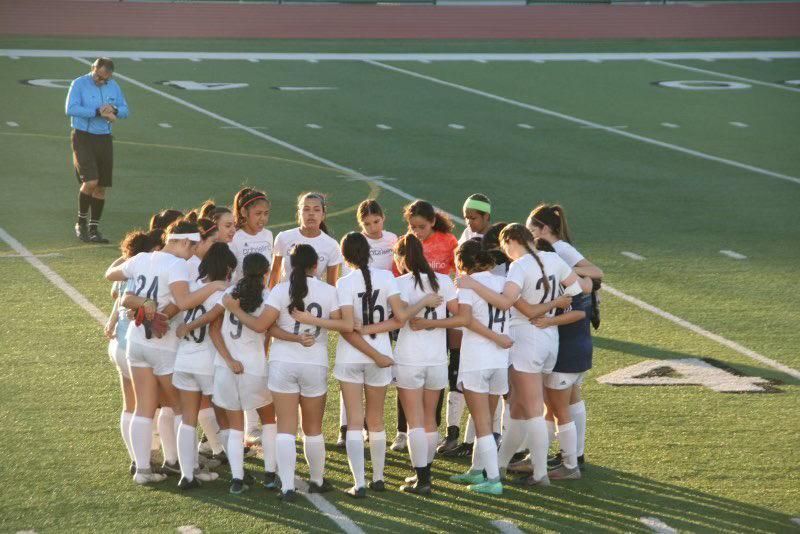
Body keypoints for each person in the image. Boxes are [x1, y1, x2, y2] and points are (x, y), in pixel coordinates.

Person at [105, 218, 227, 485]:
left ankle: (143, 471)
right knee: (183, 410)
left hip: (136, 342)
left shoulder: (143, 259)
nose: (194, 252)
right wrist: (214, 286)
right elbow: (183, 302)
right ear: (183, 241)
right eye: (192, 246)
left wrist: (141, 299)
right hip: (163, 344)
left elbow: (111, 275)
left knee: (144, 409)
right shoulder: (177, 264)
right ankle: (189, 468)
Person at [456, 223, 579, 487]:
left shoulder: (519, 266)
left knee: (533, 409)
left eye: (505, 247)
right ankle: (498, 465)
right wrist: (554, 305)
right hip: (549, 337)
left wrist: (472, 285)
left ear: (512, 240)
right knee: (519, 408)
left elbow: (504, 302)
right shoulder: (554, 259)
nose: (506, 253)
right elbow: (578, 289)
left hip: (526, 339)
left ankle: (540, 473)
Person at [333, 232, 439, 497]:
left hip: (351, 356)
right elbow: (400, 318)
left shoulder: (343, 283)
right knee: (377, 420)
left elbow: (347, 329)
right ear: (368, 252)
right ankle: (378, 478)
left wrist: (364, 334)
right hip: (380, 353)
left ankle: (359, 483)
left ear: (345, 258)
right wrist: (378, 352)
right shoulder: (387, 278)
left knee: (355, 422)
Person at [264, 244, 347, 502]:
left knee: (285, 428)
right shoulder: (329, 291)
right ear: (316, 266)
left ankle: (287, 486)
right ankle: (317, 480)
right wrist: (310, 327)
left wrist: (293, 337)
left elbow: (267, 328)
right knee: (313, 428)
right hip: (315, 363)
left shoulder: (279, 290)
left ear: (289, 266)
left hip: (282, 362)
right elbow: (342, 325)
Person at [390, 234, 458, 495]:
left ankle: (423, 478)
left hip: (410, 358)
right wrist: (436, 323)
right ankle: (424, 472)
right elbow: (461, 316)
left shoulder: (399, 283)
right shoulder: (443, 281)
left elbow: (399, 318)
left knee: (414, 421)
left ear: (400, 258)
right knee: (430, 419)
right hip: (437, 358)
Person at [446, 240, 513, 495]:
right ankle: (476, 469)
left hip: (477, 360)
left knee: (482, 423)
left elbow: (466, 321)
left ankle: (493, 479)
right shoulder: (501, 282)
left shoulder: (466, 285)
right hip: (499, 361)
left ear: (462, 261)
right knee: (484, 419)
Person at [211, 253, 282, 495]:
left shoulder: (229, 294)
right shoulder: (268, 297)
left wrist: (229, 360)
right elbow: (263, 327)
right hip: (255, 368)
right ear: (265, 272)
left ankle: (237, 479)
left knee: (235, 426)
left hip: (226, 369)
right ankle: (270, 474)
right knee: (269, 421)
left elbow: (214, 330)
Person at [172, 242, 236, 489]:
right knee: (226, 417)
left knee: (188, 419)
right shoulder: (222, 293)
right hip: (208, 363)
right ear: (228, 269)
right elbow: (214, 321)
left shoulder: (191, 289)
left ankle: (186, 475)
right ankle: (238, 470)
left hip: (184, 359)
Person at [336, 199, 398, 447]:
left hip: (379, 312)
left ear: (383, 217)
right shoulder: (356, 244)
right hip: (369, 313)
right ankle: (347, 429)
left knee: (353, 378)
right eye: (367, 223)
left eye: (376, 221)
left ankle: (364, 433)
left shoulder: (392, 239)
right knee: (364, 397)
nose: (373, 227)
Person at [441, 194, 494, 455]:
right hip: (465, 305)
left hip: (483, 315)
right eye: (466, 217)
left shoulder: (495, 240)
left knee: (478, 382)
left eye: (474, 217)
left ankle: (473, 439)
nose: (469, 222)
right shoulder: (465, 235)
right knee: (456, 367)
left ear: (487, 217)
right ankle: (452, 432)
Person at [103, 230, 158, 475]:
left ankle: (136, 458)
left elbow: (117, 296)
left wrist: (112, 321)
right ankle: (149, 460)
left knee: (130, 405)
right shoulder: (146, 273)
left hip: (118, 344)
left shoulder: (127, 268)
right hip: (134, 347)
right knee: (152, 407)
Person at [66, 57, 129, 244]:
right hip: (83, 136)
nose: (100, 81)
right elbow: (71, 109)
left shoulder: (113, 86)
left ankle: (94, 228)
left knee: (101, 186)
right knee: (91, 181)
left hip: (104, 139)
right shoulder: (79, 83)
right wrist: (96, 112)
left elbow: (126, 110)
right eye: (98, 76)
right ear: (93, 68)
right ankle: (81, 224)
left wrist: (114, 109)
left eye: (104, 79)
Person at [270, 192, 342, 286]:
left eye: (316, 210)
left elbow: (332, 285)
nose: (311, 214)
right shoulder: (283, 237)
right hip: (286, 298)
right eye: (306, 209)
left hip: (315, 299)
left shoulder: (332, 245)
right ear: (299, 213)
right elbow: (274, 274)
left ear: (323, 215)